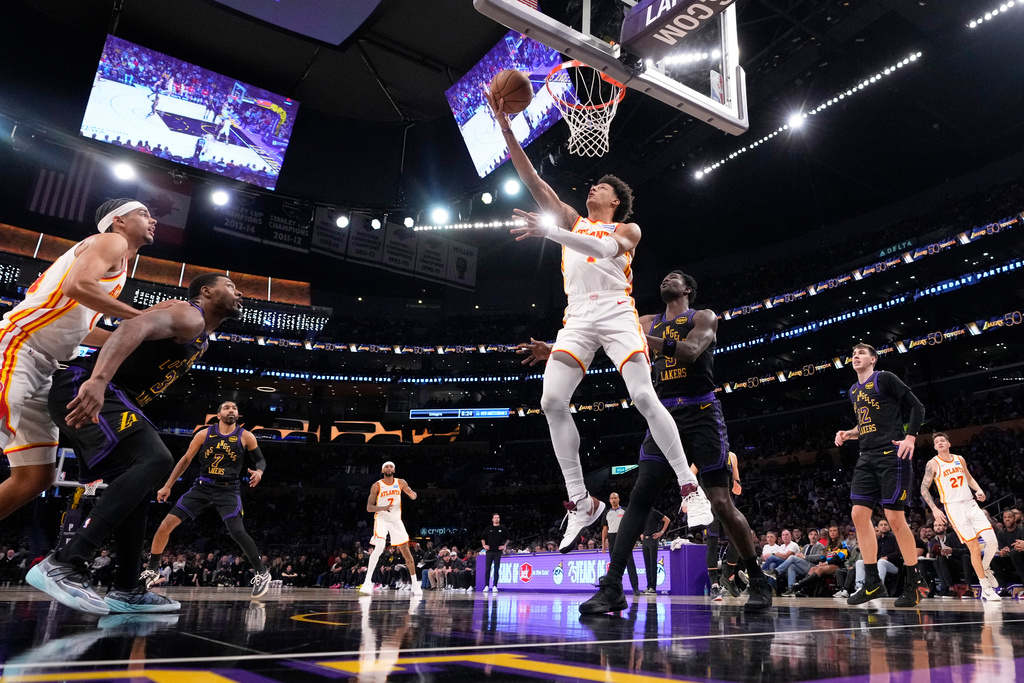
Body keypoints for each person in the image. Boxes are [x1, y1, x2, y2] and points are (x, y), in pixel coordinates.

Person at [490, 93, 710, 553]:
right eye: (591, 186)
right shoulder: (571, 219)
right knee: (551, 400)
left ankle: (689, 488)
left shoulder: (626, 230)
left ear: (616, 201)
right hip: (576, 316)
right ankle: (580, 501)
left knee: (643, 395)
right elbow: (533, 180)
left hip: (615, 310)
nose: (591, 189)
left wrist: (549, 231)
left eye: (600, 187)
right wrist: (506, 127)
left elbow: (603, 251)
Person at [522, 271, 772, 613]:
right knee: (639, 497)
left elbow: (690, 351)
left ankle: (757, 579)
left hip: (701, 412)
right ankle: (613, 586)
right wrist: (554, 349)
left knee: (720, 502)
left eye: (675, 278)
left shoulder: (702, 317)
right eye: (664, 278)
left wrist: (636, 337)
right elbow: (600, 340)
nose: (666, 280)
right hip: (664, 414)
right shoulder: (645, 320)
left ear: (687, 288)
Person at [26, 273, 242, 614]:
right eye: (229, 286)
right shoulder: (190, 315)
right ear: (206, 292)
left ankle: (126, 588)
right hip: (87, 386)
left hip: (113, 396)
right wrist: (99, 380)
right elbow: (131, 326)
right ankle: (65, 562)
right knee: (156, 458)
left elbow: (123, 335)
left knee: (139, 487)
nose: (238, 292)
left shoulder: (201, 337)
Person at [0, 198, 156, 522]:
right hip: (17, 345)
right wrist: (143, 320)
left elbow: (80, 328)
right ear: (118, 221)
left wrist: (134, 337)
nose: (152, 220)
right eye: (143, 213)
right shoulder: (112, 242)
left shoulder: (118, 265)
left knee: (36, 476)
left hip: (44, 366)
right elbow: (77, 285)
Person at [140, 401, 271, 599]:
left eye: (234, 408)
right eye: (227, 407)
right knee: (165, 525)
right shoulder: (204, 434)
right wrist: (168, 485)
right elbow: (186, 460)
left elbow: (260, 459)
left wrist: (259, 472)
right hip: (202, 487)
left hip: (228, 490)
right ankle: (152, 568)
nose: (231, 410)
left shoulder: (246, 436)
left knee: (237, 531)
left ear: (238, 414)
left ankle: (262, 572)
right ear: (218, 415)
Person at [834, 342, 926, 607]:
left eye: (861, 353)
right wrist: (849, 433)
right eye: (853, 354)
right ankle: (873, 582)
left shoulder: (884, 378)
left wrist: (910, 437)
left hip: (892, 454)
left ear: (873, 359)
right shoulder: (853, 390)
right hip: (866, 456)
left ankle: (915, 583)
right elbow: (866, 425)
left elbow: (917, 407)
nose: (855, 356)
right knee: (858, 514)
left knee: (894, 517)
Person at [921, 432, 1000, 601]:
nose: (940, 443)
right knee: (974, 548)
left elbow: (969, 478)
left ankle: (985, 567)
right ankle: (986, 588)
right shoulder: (933, 463)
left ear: (948, 444)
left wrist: (979, 490)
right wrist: (934, 509)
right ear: (934, 447)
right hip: (953, 507)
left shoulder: (959, 459)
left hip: (971, 504)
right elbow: (923, 488)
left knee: (993, 542)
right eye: (937, 441)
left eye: (943, 440)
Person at [360, 461, 422, 595]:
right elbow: (369, 508)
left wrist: (413, 495)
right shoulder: (377, 485)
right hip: (381, 519)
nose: (389, 468)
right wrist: (382, 508)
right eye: (386, 467)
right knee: (380, 547)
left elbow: (411, 492)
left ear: (394, 470)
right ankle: (367, 582)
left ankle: (415, 584)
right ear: (382, 470)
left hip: (396, 519)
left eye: (391, 467)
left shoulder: (401, 482)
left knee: (405, 550)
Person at [601, 492, 640, 596]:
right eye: (612, 498)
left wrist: (633, 540)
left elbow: (631, 526)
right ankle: (616, 589)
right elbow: (605, 529)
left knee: (630, 563)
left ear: (618, 499)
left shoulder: (625, 511)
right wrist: (603, 544)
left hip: (624, 537)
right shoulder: (607, 513)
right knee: (614, 566)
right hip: (612, 538)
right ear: (609, 500)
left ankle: (635, 588)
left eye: (615, 498)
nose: (613, 500)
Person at [639, 508, 669, 594]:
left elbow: (667, 520)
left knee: (652, 563)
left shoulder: (654, 512)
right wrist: (640, 533)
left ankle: (653, 587)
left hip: (653, 539)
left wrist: (661, 532)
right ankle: (649, 586)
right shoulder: (642, 514)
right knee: (647, 564)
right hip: (645, 540)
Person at [481, 513, 508, 592]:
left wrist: (504, 546)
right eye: (495, 517)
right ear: (492, 519)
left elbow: (508, 538)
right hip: (489, 551)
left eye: (498, 517)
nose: (496, 519)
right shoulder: (488, 528)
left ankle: (495, 586)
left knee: (496, 569)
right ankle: (486, 585)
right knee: (487, 569)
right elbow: (482, 538)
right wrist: (484, 545)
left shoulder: (502, 528)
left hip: (498, 551)